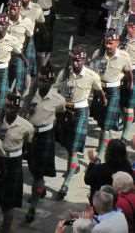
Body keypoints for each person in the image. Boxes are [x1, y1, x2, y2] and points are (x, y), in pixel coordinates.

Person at [54, 45, 105, 201]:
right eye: (74, 60)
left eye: (79, 60)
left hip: (81, 112)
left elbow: (99, 91)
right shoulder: (63, 74)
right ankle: (73, 168)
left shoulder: (91, 75)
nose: (76, 63)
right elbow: (55, 91)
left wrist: (102, 101)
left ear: (85, 60)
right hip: (65, 112)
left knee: (75, 150)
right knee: (69, 147)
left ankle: (66, 184)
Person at [24, 64, 65, 223]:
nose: (42, 83)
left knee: (38, 174)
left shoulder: (58, 99)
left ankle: (32, 207)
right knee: (33, 168)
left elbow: (60, 113)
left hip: (46, 136)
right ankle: (39, 190)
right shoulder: (29, 95)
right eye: (40, 80)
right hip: (30, 135)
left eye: (45, 81)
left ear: (51, 81)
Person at [0, 92, 34, 233]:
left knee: (9, 200)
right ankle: (5, 222)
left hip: (14, 162)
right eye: (7, 106)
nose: (9, 109)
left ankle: (6, 228)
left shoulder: (26, 126)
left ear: (18, 108)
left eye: (12, 107)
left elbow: (28, 141)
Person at [90, 29, 132, 160]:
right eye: (106, 42)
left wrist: (129, 85)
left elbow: (129, 73)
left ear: (117, 43)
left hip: (113, 91)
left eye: (111, 43)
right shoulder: (98, 54)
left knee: (106, 126)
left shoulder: (124, 56)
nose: (108, 46)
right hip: (99, 90)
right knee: (100, 120)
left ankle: (101, 154)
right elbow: (92, 72)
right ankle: (102, 146)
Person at [7, 0, 34, 94]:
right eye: (10, 7)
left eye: (15, 8)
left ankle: (17, 97)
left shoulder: (26, 22)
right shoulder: (3, 20)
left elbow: (29, 38)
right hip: (4, 54)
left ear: (19, 8)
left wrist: (24, 55)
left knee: (18, 80)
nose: (12, 10)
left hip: (18, 55)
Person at [33, 0, 58, 70]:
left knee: (47, 39)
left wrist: (54, 15)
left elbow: (55, 1)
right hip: (35, 16)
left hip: (47, 16)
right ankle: (37, 62)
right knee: (35, 39)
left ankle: (44, 64)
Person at [18, 0, 44, 81]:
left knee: (27, 65)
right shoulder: (15, 6)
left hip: (28, 39)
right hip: (15, 38)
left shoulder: (36, 8)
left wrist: (35, 30)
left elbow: (41, 22)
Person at [119, 14, 135, 145]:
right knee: (123, 106)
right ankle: (126, 127)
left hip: (134, 74)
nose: (128, 28)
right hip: (122, 73)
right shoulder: (124, 40)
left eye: (130, 26)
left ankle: (126, 135)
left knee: (129, 106)